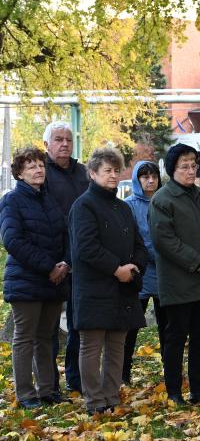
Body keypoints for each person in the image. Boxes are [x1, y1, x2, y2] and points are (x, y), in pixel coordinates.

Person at [150, 144, 200, 405]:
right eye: (184, 166)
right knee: (175, 338)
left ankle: (198, 390)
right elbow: (164, 240)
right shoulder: (163, 200)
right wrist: (196, 262)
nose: (190, 170)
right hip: (179, 283)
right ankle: (174, 391)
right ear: (172, 169)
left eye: (194, 165)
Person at [69, 148, 148, 414]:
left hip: (124, 286)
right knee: (91, 347)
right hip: (95, 287)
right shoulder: (83, 206)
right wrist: (116, 269)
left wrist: (135, 266)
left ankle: (112, 397)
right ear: (92, 174)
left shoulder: (123, 207)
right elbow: (86, 248)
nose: (113, 176)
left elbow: (138, 243)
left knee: (117, 346)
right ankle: (94, 401)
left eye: (116, 170)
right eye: (107, 171)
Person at [1, 147, 70, 409]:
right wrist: (48, 266)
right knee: (25, 338)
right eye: (31, 166)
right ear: (19, 173)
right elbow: (13, 240)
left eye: (41, 165)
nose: (38, 170)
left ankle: (47, 390)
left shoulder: (48, 199)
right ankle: (25, 394)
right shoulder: (12, 201)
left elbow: (65, 235)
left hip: (54, 280)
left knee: (45, 337)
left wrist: (64, 264)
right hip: (27, 281)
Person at [43, 121, 88, 395]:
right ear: (47, 144)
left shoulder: (83, 173)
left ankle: (75, 377)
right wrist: (54, 262)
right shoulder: (39, 173)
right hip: (48, 264)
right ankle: (50, 385)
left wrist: (70, 260)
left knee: (78, 325)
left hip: (77, 260)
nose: (64, 144)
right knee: (48, 331)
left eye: (68, 140)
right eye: (58, 139)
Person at [121, 161, 166, 385]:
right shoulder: (128, 205)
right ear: (137, 179)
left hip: (165, 271)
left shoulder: (166, 201)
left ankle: (171, 370)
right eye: (144, 176)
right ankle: (123, 373)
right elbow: (130, 237)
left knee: (167, 326)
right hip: (139, 271)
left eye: (154, 176)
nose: (150, 180)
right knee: (130, 327)